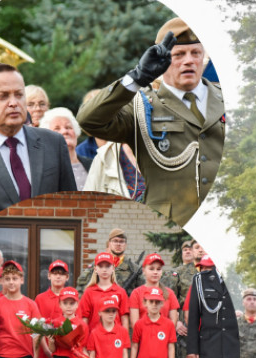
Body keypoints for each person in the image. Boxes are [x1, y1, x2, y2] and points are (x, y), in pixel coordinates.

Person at [76, 19, 226, 226]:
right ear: (162, 60)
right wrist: (136, 78)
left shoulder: (226, 99)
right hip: (171, 229)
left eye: (195, 53)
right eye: (179, 55)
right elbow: (88, 120)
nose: (188, 61)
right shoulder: (141, 106)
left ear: (204, 57)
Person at [0, 64, 77, 225]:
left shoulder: (53, 143)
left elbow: (71, 207)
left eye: (19, 95)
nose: (13, 103)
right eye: (3, 96)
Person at [163, 242, 196, 358]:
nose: (188, 252)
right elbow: (170, 298)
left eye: (191, 249)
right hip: (183, 318)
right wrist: (175, 322)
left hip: (201, 320)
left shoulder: (203, 271)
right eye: (185, 249)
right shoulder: (175, 273)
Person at [35, 261, 73, 358]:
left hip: (65, 353)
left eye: (61, 274)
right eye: (55, 274)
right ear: (49, 276)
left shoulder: (71, 299)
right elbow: (39, 328)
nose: (58, 277)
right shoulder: (40, 298)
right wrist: (46, 350)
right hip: (47, 354)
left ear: (67, 277)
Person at [45, 288, 88, 358]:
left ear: (77, 304)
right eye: (65, 303)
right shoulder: (55, 323)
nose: (68, 306)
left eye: (72, 303)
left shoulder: (82, 325)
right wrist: (51, 341)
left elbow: (83, 347)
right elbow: (52, 350)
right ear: (60, 304)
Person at [79, 252, 132, 334]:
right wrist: (84, 342)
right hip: (94, 341)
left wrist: (125, 342)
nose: (104, 269)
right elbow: (84, 319)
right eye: (101, 266)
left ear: (113, 268)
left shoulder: (120, 292)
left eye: (107, 266)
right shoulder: (88, 292)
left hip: (115, 339)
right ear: (95, 269)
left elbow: (124, 319)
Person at [38, 107, 86, 189]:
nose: (64, 131)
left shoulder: (92, 163)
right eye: (57, 128)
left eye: (68, 127)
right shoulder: (42, 171)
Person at [79, 230, 138, 295]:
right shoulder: (96, 265)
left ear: (125, 245)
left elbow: (141, 293)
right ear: (109, 243)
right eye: (115, 241)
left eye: (121, 241)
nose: (118, 244)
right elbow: (81, 287)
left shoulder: (134, 268)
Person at [128, 254, 179, 326]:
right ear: (144, 270)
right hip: (143, 336)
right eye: (151, 269)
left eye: (158, 269)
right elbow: (135, 323)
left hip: (164, 335)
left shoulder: (169, 293)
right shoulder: (136, 293)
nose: (155, 272)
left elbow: (173, 321)